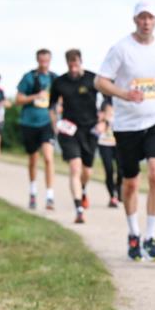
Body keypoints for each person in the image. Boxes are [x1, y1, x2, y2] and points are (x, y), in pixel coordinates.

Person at [95, 2, 155, 262]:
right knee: (130, 183)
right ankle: (134, 232)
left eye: (150, 17)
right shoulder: (121, 49)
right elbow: (100, 81)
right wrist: (124, 94)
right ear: (135, 20)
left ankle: (150, 237)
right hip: (127, 124)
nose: (146, 22)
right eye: (141, 17)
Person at [50, 49, 100, 224]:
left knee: (87, 171)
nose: (73, 68)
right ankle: (79, 209)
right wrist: (55, 123)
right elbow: (52, 105)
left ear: (81, 62)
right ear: (66, 63)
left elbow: (109, 99)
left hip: (90, 129)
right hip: (69, 130)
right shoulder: (59, 82)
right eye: (70, 65)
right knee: (75, 167)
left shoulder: (93, 79)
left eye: (76, 64)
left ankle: (83, 189)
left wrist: (105, 120)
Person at [16, 50, 58, 210]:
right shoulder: (29, 78)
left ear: (50, 60)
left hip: (46, 123)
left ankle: (49, 196)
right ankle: (33, 192)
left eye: (46, 61)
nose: (44, 64)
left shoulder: (54, 79)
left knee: (48, 158)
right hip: (29, 123)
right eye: (41, 61)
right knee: (33, 159)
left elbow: (60, 99)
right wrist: (35, 96)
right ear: (37, 60)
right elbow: (18, 99)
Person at [95, 99, 122, 208]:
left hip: (118, 145)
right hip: (104, 144)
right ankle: (112, 196)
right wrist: (104, 120)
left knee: (121, 170)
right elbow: (97, 130)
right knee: (109, 170)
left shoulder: (120, 107)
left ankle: (118, 189)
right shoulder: (102, 108)